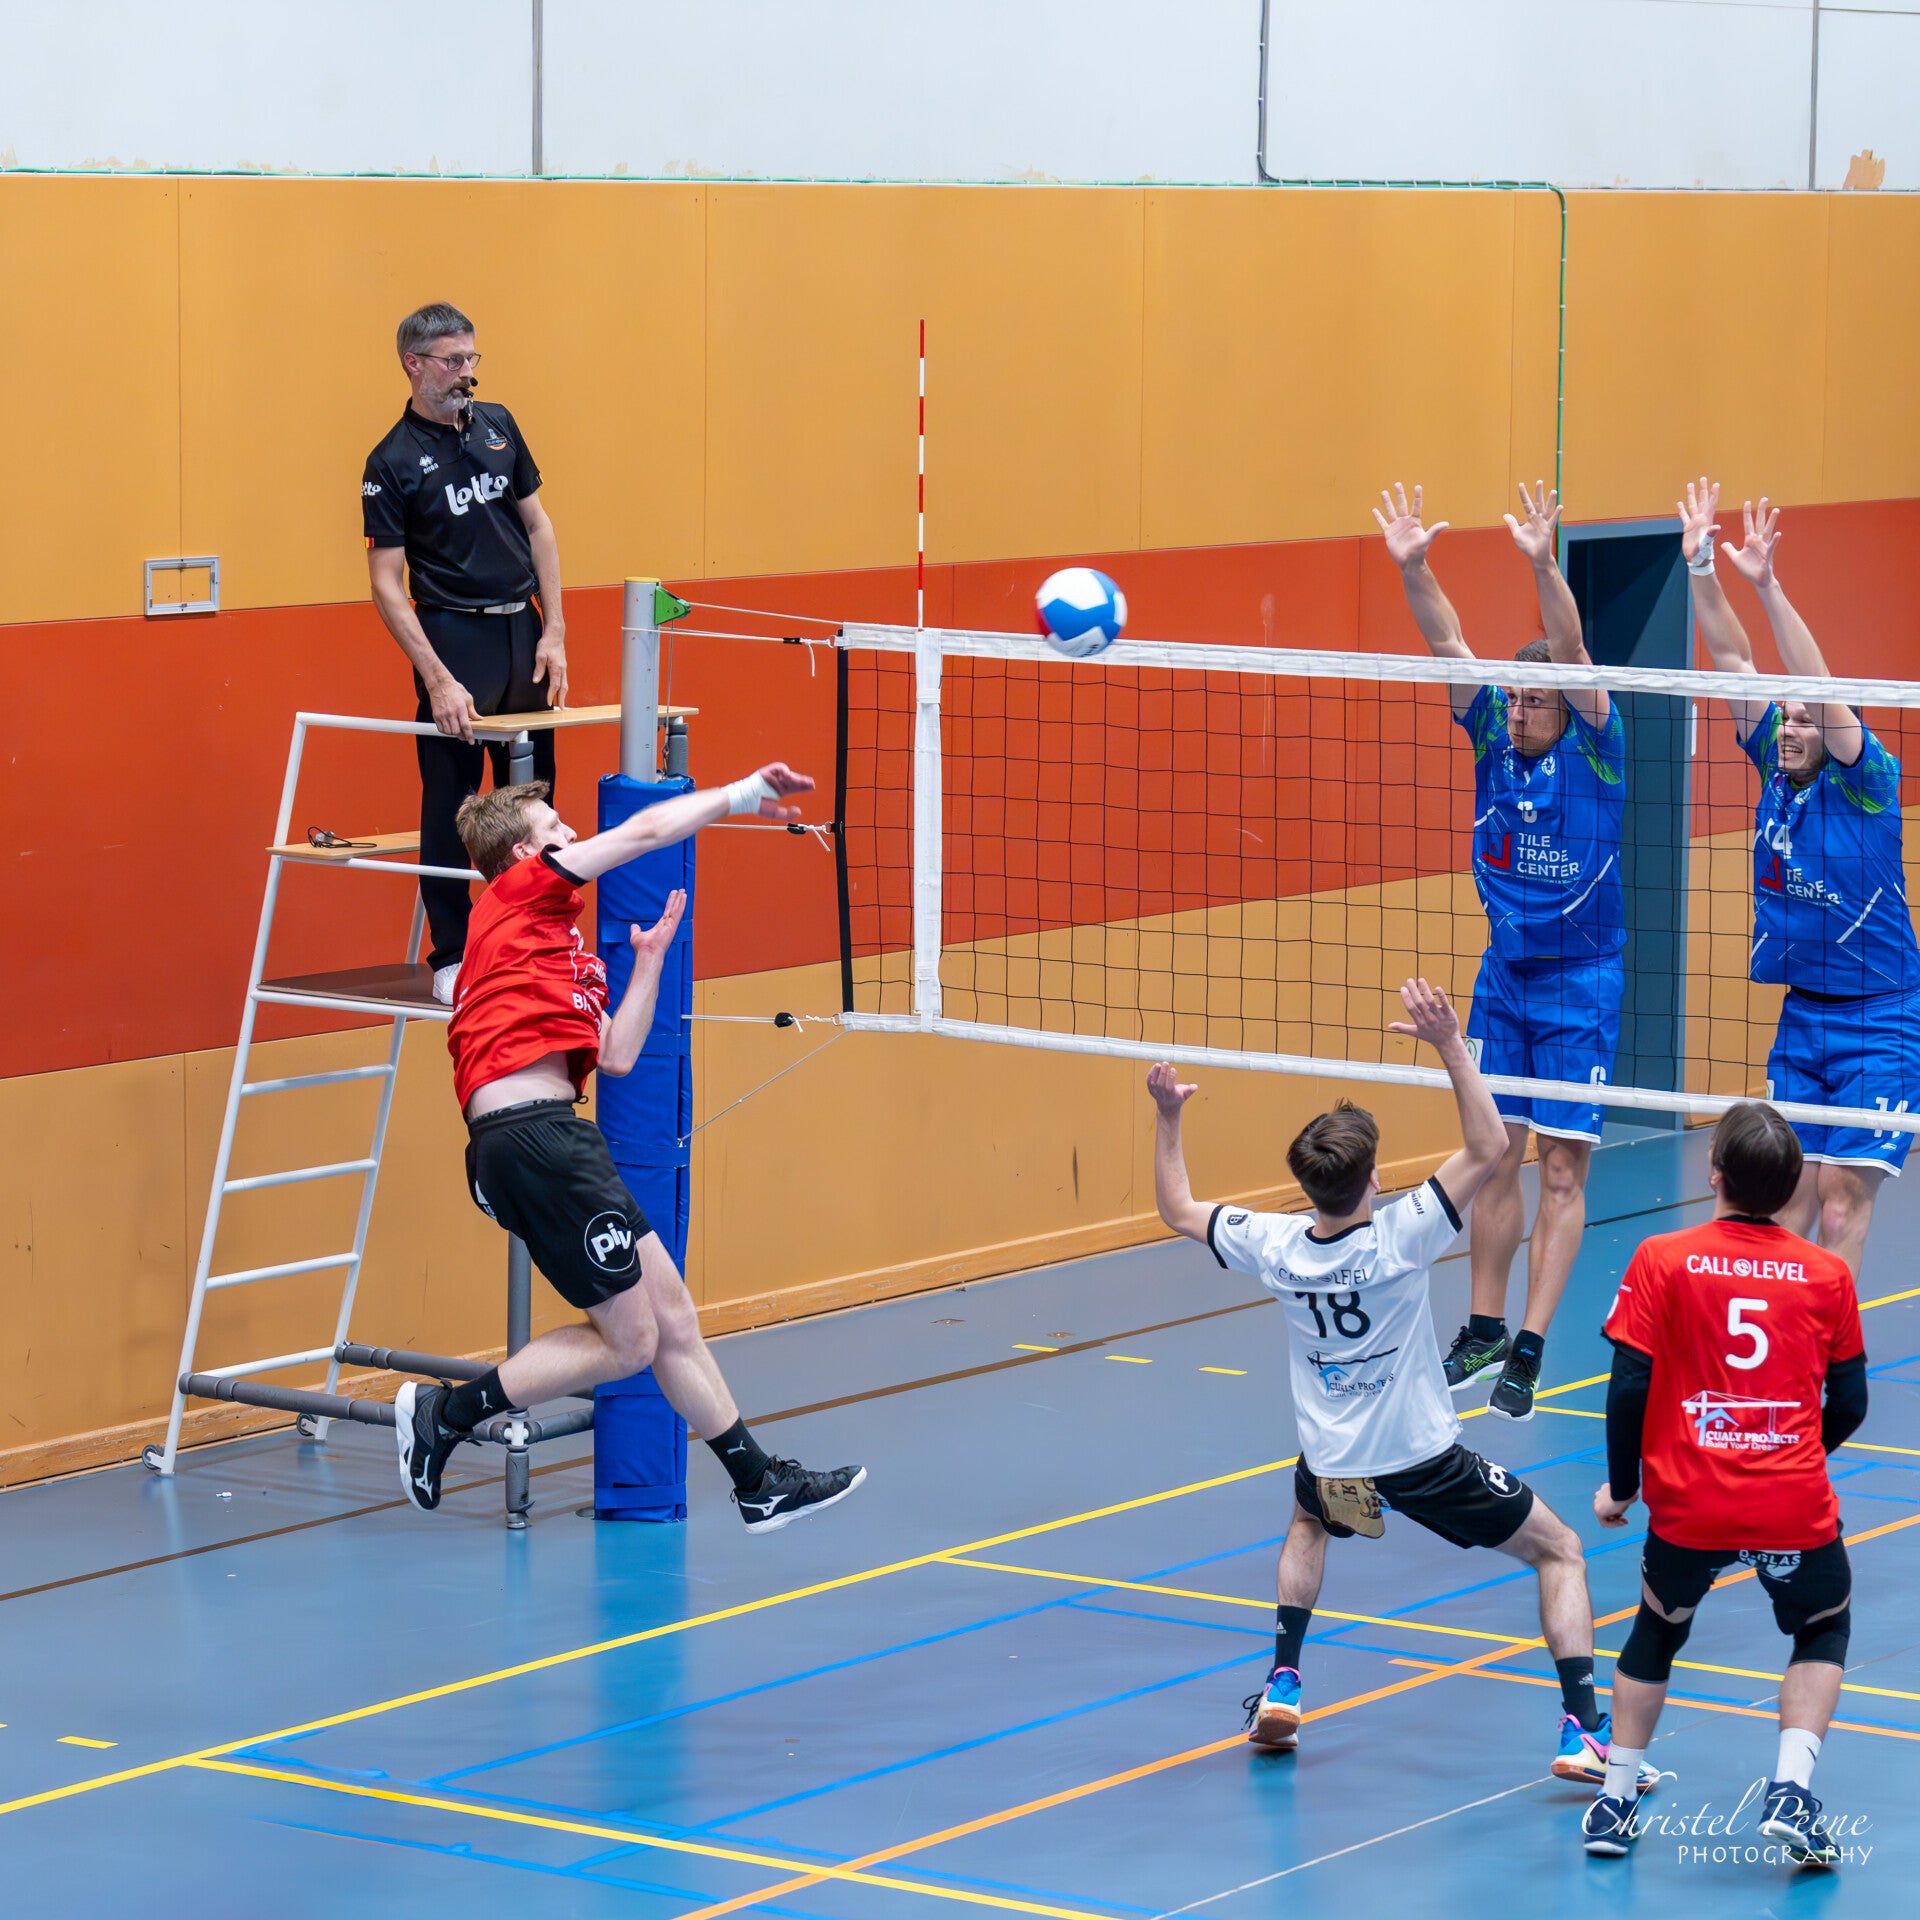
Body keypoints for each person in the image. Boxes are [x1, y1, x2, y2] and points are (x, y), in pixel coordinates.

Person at [1148, 979, 1655, 1792]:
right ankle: (1583, 1729)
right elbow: (1488, 1146)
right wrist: (1451, 1043)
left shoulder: (1275, 1244)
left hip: (1332, 1457)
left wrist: (1169, 1115)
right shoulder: (1402, 1234)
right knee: (1559, 1550)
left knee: (1308, 1522)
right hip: (1422, 1459)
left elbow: (1178, 1208)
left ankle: (1284, 1683)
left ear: (1309, 1185)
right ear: (1374, 1178)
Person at [393, 765, 865, 1533]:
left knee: (671, 1317)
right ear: (527, 855)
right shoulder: (518, 896)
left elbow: (614, 1055)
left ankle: (758, 1483)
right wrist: (742, 794)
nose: (573, 833)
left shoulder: (558, 952)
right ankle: (444, 1415)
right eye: (555, 828)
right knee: (631, 1341)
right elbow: (644, 831)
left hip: (553, 1137)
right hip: (535, 1139)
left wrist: (647, 965)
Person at [1375, 480, 1628, 1420]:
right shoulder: (1492, 734)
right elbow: (1448, 642)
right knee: (1492, 1151)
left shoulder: (1596, 745)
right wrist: (1414, 567)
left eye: (1534, 701)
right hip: (1505, 978)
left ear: (1567, 705)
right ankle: (1482, 1329)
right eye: (1514, 699)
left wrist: (1541, 562)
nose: (1518, 712)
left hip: (1583, 983)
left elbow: (1572, 650)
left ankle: (1529, 1344)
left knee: (1561, 1169)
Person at [1586, 1100, 1867, 1868]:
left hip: (1690, 1503)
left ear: (1714, 1174)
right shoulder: (1829, 1274)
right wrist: (1793, 1454)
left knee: (1657, 1629)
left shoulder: (1662, 1258)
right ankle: (1791, 1793)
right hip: (1791, 1504)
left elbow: (1628, 1388)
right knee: (1822, 1628)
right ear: (1792, 1186)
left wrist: (1623, 1487)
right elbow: (1850, 1402)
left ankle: (1614, 1803)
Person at [1680, 479, 1920, 1277]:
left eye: (1806, 720)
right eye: (1786, 716)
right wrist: (1702, 569)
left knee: (1843, 1204)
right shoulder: (1776, 769)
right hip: (1804, 1016)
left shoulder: (1867, 780)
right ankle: (1781, 1328)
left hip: (1881, 1019)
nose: (1791, 726)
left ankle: (1829, 1346)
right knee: (1783, 1205)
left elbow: (1819, 687)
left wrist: (1768, 584)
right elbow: (1732, 660)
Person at [362, 301, 571, 1006]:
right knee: (454, 803)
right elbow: (386, 584)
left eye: (472, 359)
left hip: (523, 632)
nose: (466, 373)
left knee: (535, 801)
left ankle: (538, 938)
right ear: (414, 364)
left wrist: (555, 631)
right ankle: (452, 953)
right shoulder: (390, 461)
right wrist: (438, 679)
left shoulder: (499, 425)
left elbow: (539, 529)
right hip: (454, 638)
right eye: (453, 361)